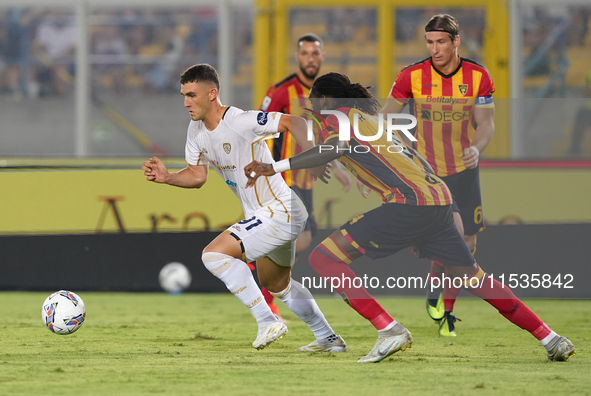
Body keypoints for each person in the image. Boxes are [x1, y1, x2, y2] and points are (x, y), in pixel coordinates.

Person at [244, 72, 576, 364]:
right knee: (474, 277)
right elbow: (420, 165)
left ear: (327, 99)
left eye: (317, 106)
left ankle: (388, 329)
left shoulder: (339, 116)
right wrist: (427, 226)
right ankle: (551, 339)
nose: (317, 113)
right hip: (439, 200)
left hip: (409, 203)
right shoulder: (377, 124)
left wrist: (272, 166)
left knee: (325, 258)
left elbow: (332, 148)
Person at [142, 64, 346, 352]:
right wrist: (167, 178)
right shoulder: (196, 130)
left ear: (212, 93)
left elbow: (296, 122)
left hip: (279, 210)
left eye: (191, 94)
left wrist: (316, 156)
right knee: (278, 285)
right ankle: (328, 338)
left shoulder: (241, 121)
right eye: (183, 95)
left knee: (213, 255)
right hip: (269, 216)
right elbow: (198, 176)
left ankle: (266, 321)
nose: (186, 102)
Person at [379, 14, 495, 336]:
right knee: (456, 237)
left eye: (441, 42)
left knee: (468, 246)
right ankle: (446, 315)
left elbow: (486, 123)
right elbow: (384, 120)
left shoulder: (477, 76)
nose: (435, 49)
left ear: (456, 41)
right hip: (429, 175)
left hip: (464, 170)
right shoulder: (411, 77)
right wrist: (398, 153)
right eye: (430, 42)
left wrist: (477, 147)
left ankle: (440, 296)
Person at [257, 33, 351, 321]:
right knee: (297, 236)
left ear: (322, 57)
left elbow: (322, 137)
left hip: (305, 179)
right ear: (297, 57)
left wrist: (337, 167)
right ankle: (265, 288)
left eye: (315, 53)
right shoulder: (282, 90)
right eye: (305, 53)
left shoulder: (326, 94)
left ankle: (262, 267)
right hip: (283, 177)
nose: (311, 58)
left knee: (303, 237)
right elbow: (259, 127)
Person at [568, 67, 591, 156]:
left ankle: (574, 148)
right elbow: (586, 92)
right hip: (587, 108)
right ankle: (574, 148)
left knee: (578, 127)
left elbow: (586, 92)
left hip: (587, 109)